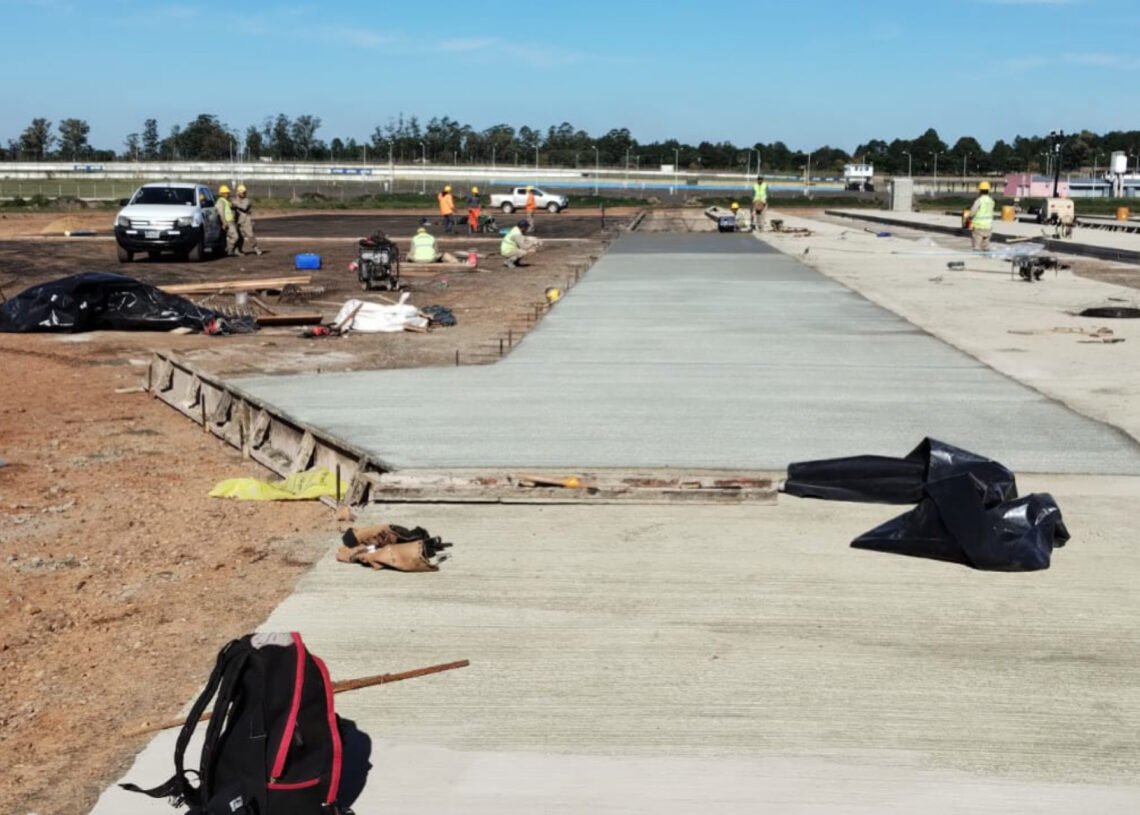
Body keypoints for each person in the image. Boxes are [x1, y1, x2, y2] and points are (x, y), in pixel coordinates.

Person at [231, 184, 263, 256]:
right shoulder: (235, 200)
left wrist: (235, 204)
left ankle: (256, 248)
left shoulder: (247, 200)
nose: (244, 193)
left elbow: (244, 207)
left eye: (245, 192)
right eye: (242, 192)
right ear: (238, 192)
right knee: (239, 237)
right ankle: (238, 250)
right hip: (238, 221)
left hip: (246, 220)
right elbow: (232, 207)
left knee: (250, 235)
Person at [967, 181, 995, 251]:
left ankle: (977, 258)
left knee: (977, 245)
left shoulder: (979, 200)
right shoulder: (991, 200)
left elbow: (973, 211)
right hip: (988, 226)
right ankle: (986, 257)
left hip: (979, 226)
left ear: (979, 190)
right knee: (986, 245)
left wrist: (969, 217)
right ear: (988, 190)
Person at [216, 184, 239, 256]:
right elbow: (221, 212)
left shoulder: (226, 201)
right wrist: (224, 222)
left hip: (230, 221)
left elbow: (231, 205)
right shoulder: (221, 201)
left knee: (230, 237)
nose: (228, 194)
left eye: (227, 193)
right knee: (235, 236)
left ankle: (228, 250)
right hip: (227, 222)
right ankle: (229, 250)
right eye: (226, 193)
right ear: (222, 193)